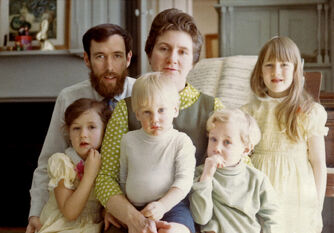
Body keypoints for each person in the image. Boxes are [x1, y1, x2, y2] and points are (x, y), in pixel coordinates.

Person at [95, 8, 225, 233]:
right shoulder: (126, 109)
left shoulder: (212, 108)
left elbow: (234, 170)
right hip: (131, 211)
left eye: (183, 52)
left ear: (193, 60)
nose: (172, 59)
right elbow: (106, 177)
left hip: (185, 212)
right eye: (164, 48)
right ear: (150, 53)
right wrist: (131, 217)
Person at [26, 23, 135, 233]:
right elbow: (47, 160)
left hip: (126, 202)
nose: (110, 67)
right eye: (100, 57)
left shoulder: (142, 94)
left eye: (117, 56)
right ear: (87, 59)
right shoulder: (68, 97)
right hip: (78, 209)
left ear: (128, 58)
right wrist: (35, 214)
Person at [241, 36, 328, 233]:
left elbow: (318, 163)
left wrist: (317, 205)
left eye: (284, 65)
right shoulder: (249, 111)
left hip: (296, 194)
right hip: (260, 190)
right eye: (269, 65)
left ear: (296, 70)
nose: (276, 71)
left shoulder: (308, 111)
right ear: (260, 71)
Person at [119, 72, 196, 232]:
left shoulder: (181, 141)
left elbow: (184, 182)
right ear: (137, 114)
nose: (154, 118)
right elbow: (123, 177)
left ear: (175, 110)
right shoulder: (128, 140)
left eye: (161, 110)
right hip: (136, 209)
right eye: (147, 112)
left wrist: (162, 205)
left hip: (172, 207)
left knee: (173, 231)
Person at [189, 109, 280, 233]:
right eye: (213, 139)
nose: (217, 148)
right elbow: (201, 218)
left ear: (245, 150)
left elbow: (272, 219)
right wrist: (207, 176)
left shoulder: (258, 180)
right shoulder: (200, 174)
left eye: (227, 142)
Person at [37, 98, 111, 233]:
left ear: (104, 130)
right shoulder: (62, 162)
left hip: (92, 227)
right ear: (69, 133)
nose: (83, 135)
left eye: (92, 127)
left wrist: (106, 212)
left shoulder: (106, 163)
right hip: (63, 227)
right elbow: (70, 213)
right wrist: (89, 175)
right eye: (76, 128)